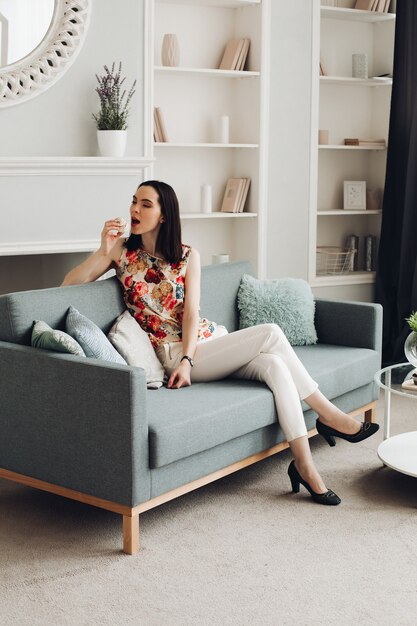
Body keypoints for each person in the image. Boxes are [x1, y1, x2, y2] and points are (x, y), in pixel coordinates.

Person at [62, 180, 379, 505]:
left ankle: (304, 464)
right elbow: (69, 284)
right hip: (172, 353)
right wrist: (102, 250)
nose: (134, 210)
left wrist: (191, 356)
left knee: (274, 365)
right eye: (134, 201)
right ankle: (328, 414)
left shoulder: (187, 255)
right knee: (270, 333)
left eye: (145, 204)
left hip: (207, 343)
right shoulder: (122, 252)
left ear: (164, 215)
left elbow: (191, 313)